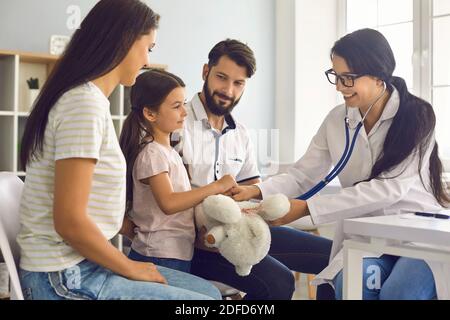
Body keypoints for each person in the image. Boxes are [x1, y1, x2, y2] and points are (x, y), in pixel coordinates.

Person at [17, 0, 220, 300]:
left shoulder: (90, 101)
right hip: (62, 276)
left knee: (209, 293)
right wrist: (129, 266)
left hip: (83, 264)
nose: (148, 60)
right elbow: (69, 221)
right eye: (148, 47)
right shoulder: (82, 104)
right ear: (125, 39)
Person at [232, 28, 450, 300]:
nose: (338, 87)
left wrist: (306, 209)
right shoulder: (338, 120)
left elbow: (389, 188)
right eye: (336, 76)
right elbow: (303, 174)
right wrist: (258, 191)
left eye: (348, 78)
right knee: (349, 285)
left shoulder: (417, 115)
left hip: (418, 234)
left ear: (378, 74)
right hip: (368, 236)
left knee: (398, 292)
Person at [177, 39, 333, 300]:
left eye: (238, 83)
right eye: (221, 78)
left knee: (334, 256)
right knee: (279, 282)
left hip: (240, 232)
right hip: (197, 243)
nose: (228, 90)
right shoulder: (178, 124)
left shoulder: (241, 134)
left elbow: (253, 191)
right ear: (206, 72)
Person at [119, 69, 236, 274]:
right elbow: (169, 202)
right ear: (150, 113)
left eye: (183, 104)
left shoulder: (168, 151)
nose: (185, 112)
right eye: (176, 106)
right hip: (159, 255)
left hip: (176, 252)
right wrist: (216, 186)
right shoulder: (152, 153)